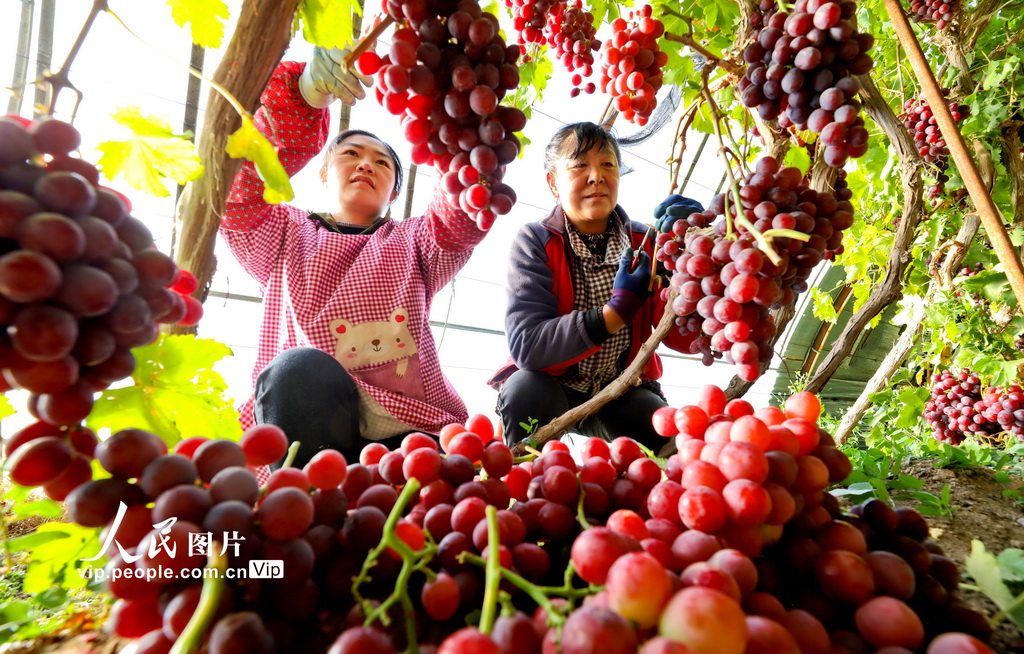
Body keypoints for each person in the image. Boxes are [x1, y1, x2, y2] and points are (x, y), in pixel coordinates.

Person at [222, 47, 488, 467]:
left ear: (394, 192)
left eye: (382, 163)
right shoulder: (284, 232)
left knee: (441, 491)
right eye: (350, 154)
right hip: (309, 413)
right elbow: (235, 197)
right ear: (324, 171)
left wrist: (462, 127)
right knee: (296, 369)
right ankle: (310, 515)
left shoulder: (415, 239)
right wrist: (299, 99)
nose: (366, 164)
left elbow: (460, 217)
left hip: (411, 425)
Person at [488, 122, 704, 450]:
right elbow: (527, 346)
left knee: (667, 441)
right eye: (579, 165)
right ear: (553, 183)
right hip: (550, 385)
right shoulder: (535, 241)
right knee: (527, 393)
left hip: (621, 388)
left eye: (607, 164)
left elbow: (683, 338)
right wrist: (615, 313)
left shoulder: (648, 244)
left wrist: (690, 263)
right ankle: (526, 484)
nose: (596, 176)